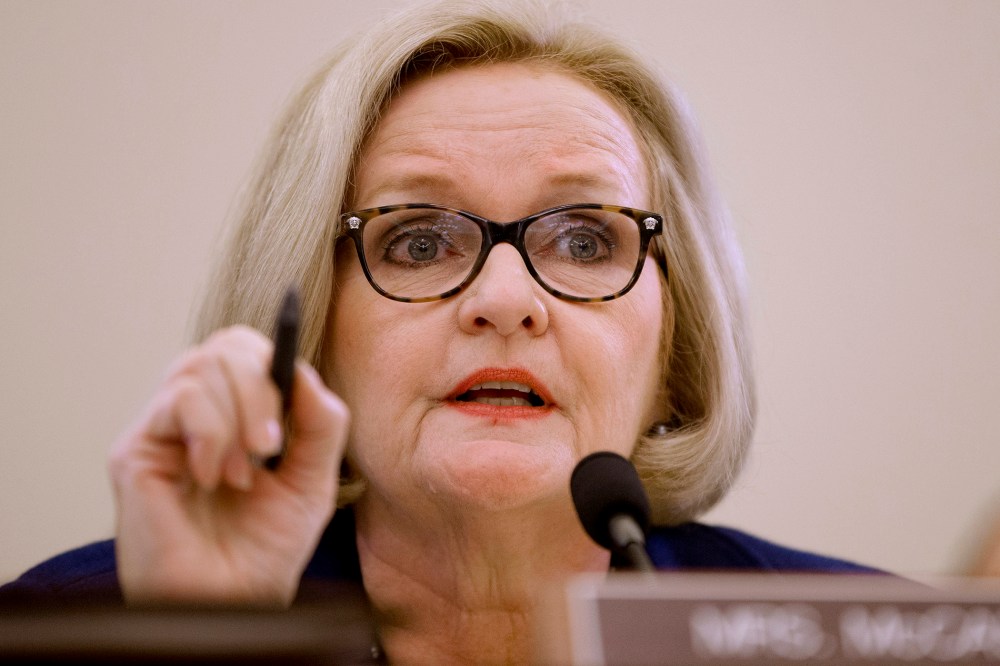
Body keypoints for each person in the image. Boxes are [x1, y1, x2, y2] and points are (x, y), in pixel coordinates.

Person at [1, 1, 877, 662]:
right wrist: (208, 642)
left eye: (584, 239)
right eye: (418, 241)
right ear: (313, 341)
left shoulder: (857, 643)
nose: (504, 299)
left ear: (676, 351)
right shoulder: (61, 633)